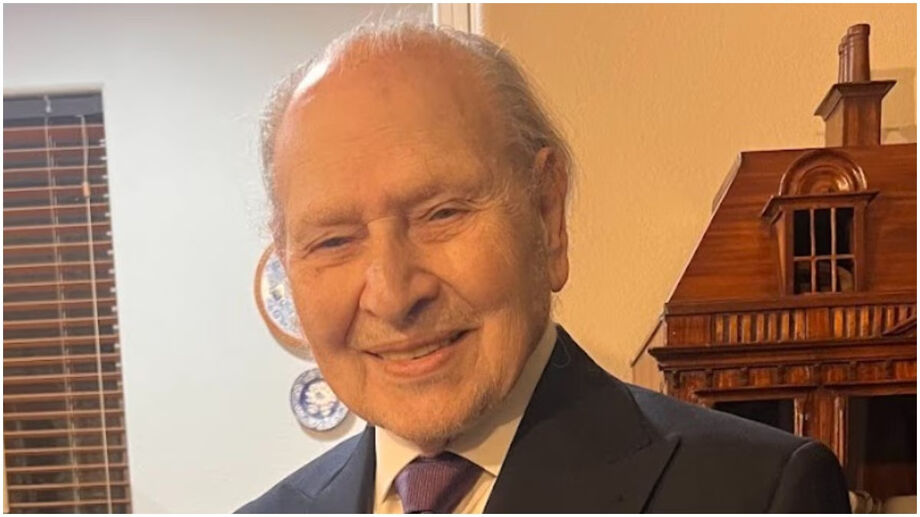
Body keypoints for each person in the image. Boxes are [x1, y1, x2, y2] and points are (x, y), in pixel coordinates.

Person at [238, 21, 850, 514]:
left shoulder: (758, 494)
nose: (394, 295)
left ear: (547, 213)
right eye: (333, 241)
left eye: (442, 213)